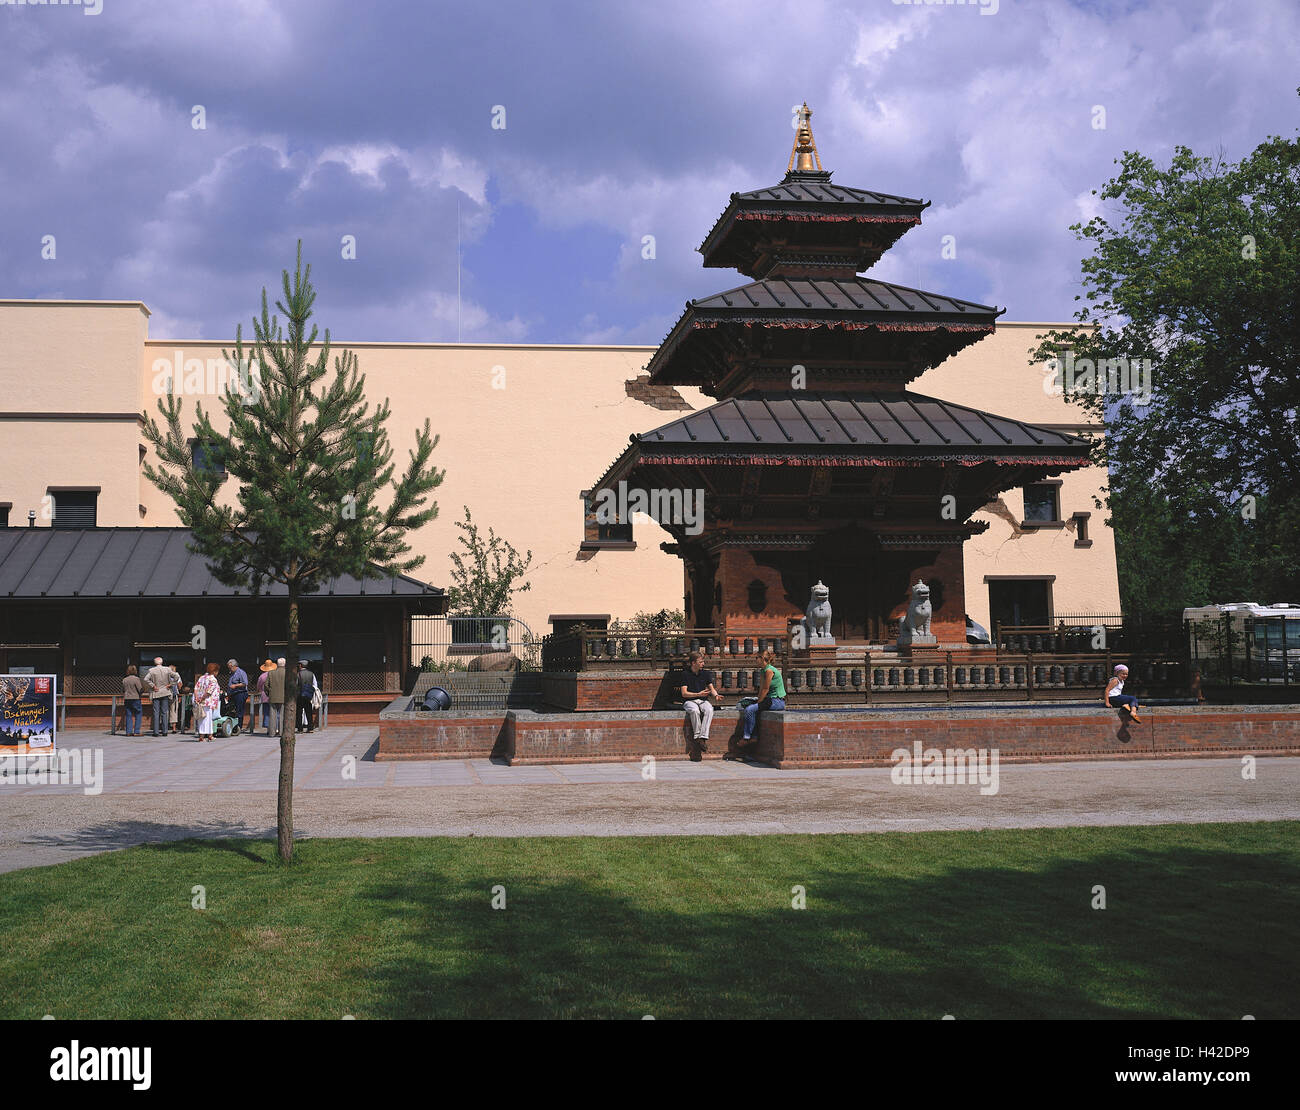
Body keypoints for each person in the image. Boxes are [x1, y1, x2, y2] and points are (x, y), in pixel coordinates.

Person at [734, 648, 786, 755]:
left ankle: (747, 737)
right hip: (769, 700)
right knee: (748, 705)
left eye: (757, 658)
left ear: (762, 659)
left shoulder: (769, 671)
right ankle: (754, 736)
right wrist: (758, 701)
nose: (755, 660)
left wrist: (758, 703)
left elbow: (765, 689)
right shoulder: (763, 670)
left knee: (750, 709)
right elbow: (761, 689)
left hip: (776, 701)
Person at [678, 649, 722, 761]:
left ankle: (702, 737)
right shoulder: (685, 674)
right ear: (693, 663)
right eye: (701, 661)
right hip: (690, 701)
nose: (703, 664)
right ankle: (698, 737)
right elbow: (684, 693)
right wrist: (698, 694)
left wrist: (716, 695)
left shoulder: (705, 673)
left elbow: (711, 688)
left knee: (709, 709)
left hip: (702, 700)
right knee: (694, 711)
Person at [145, 656, 172, 737]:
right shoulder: (167, 669)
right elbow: (176, 677)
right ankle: (165, 731)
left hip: (156, 692)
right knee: (164, 712)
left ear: (154, 663)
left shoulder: (151, 670)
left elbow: (146, 679)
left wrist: (153, 686)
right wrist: (170, 684)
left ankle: (156, 732)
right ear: (162, 662)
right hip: (165, 692)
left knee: (156, 713)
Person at [193, 663, 221, 742]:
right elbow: (209, 691)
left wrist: (197, 698)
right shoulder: (213, 679)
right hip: (208, 701)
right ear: (215, 671)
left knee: (201, 718)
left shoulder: (202, 677)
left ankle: (205, 735)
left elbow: (196, 688)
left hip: (200, 701)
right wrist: (202, 698)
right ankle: (207, 736)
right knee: (208, 719)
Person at [266, 656, 287, 738]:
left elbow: (266, 685)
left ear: (277, 664)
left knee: (272, 715)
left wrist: (269, 693)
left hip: (273, 696)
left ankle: (272, 733)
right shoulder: (287, 673)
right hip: (284, 697)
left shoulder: (271, 673)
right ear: (284, 664)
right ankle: (281, 732)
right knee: (282, 715)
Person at [226, 659, 249, 730]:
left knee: (239, 710)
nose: (229, 669)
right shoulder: (232, 673)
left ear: (234, 666)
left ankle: (239, 727)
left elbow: (245, 683)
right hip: (233, 694)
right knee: (231, 710)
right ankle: (233, 726)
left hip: (240, 693)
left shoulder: (241, 672)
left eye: (230, 667)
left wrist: (235, 686)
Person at [121, 664, 144, 736]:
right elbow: (140, 689)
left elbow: (123, 690)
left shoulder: (124, 680)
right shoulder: (136, 679)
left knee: (128, 715)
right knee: (138, 714)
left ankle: (128, 731)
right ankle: (136, 731)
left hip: (127, 698)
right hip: (135, 698)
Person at [255, 659, 276, 735]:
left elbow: (259, 686)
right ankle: (275, 728)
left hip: (264, 695)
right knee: (274, 712)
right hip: (274, 695)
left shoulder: (262, 676)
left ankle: (268, 729)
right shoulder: (274, 674)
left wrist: (260, 691)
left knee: (266, 712)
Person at [297, 660, 318, 732]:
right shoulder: (311, 674)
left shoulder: (298, 674)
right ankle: (310, 728)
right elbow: (315, 685)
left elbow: (296, 684)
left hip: (300, 695)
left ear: (300, 665)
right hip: (308, 695)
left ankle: (300, 728)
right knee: (309, 711)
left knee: (299, 712)